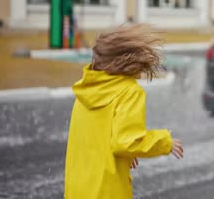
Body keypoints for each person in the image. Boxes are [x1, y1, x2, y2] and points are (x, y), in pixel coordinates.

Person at [64, 24, 184, 199]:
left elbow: (94, 140)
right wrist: (166, 142)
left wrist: (125, 157)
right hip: (106, 191)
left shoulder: (85, 90)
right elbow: (126, 142)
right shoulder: (129, 92)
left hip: (77, 189)